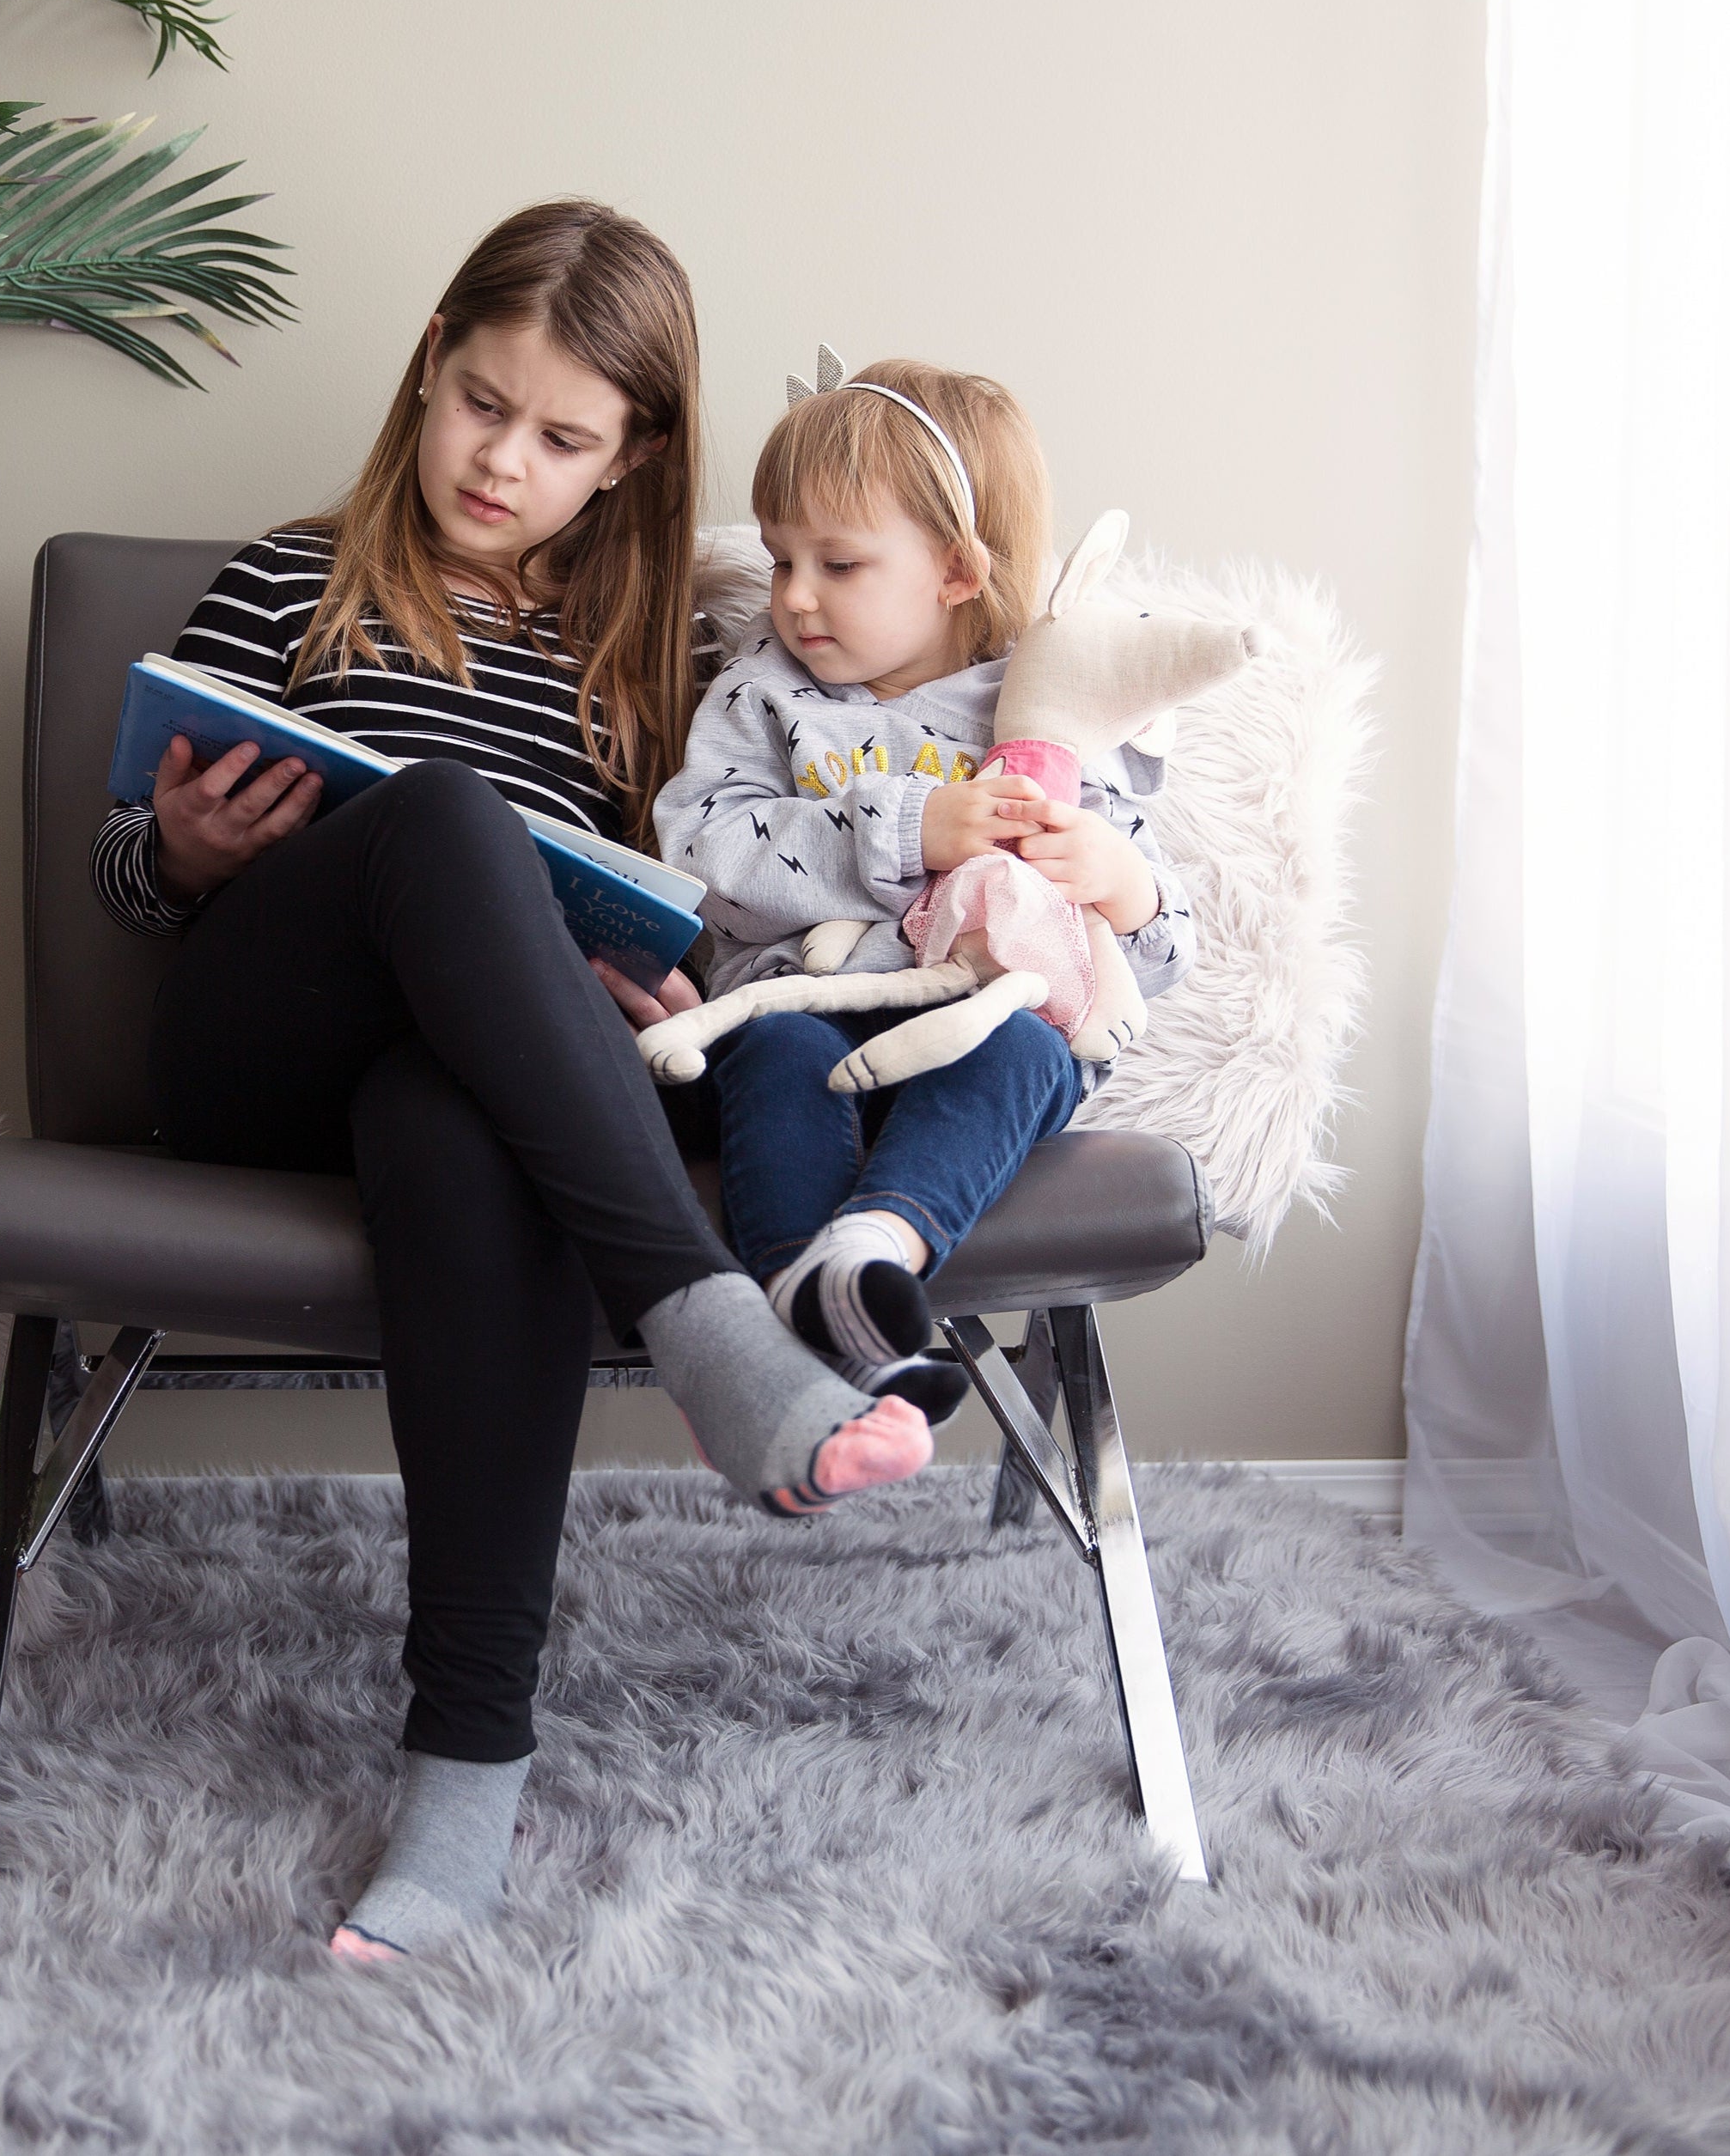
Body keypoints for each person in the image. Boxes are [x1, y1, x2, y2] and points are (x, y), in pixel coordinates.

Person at [90, 203, 933, 1961]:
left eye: (563, 440)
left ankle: (466, 1762)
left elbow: (727, 898)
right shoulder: (290, 575)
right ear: (428, 375)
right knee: (448, 819)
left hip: (479, 1095)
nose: (504, 460)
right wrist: (173, 848)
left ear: (627, 466)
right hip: (252, 1057)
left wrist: (662, 963)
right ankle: (708, 1329)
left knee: (449, 1108)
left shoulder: (657, 676)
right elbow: (118, 868)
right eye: (483, 404)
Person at [655, 362, 1192, 1386]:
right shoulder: (764, 695)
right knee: (779, 1052)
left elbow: (1158, 957)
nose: (796, 596)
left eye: (839, 564)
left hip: (979, 1029)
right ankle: (811, 1342)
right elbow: (702, 857)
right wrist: (910, 831)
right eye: (779, 561)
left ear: (954, 571)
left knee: (1033, 1058)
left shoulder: (1048, 709)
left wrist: (1121, 882)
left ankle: (878, 1254)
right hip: (802, 1006)